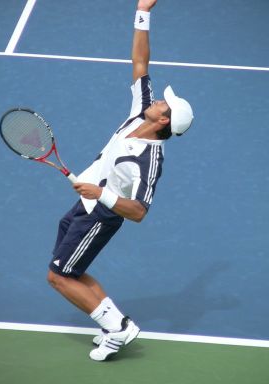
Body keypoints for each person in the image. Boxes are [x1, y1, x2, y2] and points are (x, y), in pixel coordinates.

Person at [47, 0, 193, 362]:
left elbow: (140, 211)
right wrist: (143, 11)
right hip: (85, 204)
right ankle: (117, 324)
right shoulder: (139, 113)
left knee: (58, 277)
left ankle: (117, 329)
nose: (159, 99)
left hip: (100, 216)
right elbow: (140, 63)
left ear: (163, 122)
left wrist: (101, 193)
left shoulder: (148, 161)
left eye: (164, 104)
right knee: (73, 270)